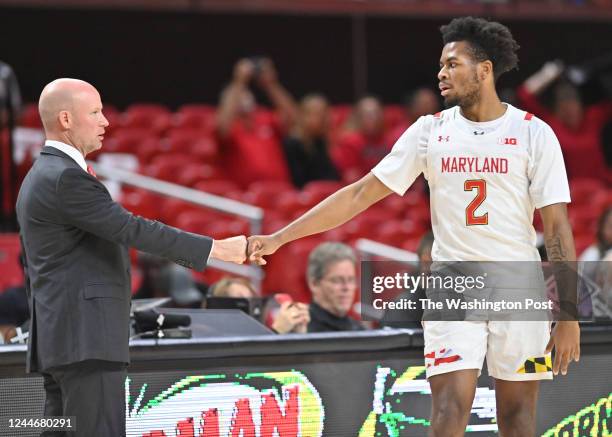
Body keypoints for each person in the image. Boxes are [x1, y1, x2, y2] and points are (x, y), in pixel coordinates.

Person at [248, 17, 580, 437]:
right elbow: (358, 194)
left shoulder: (534, 134)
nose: (440, 74)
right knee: (447, 410)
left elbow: (557, 226)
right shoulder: (430, 131)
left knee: (518, 418)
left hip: (519, 284)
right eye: (440, 65)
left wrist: (568, 314)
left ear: (484, 69)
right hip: (452, 282)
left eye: (452, 64)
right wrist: (281, 236)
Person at [16, 78, 248, 437]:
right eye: (95, 112)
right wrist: (216, 249)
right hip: (86, 341)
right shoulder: (64, 178)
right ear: (65, 119)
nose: (105, 121)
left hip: (63, 340)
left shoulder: (42, 175)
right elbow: (131, 228)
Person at [517, 60, 612, 181]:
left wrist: (596, 72)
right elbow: (524, 95)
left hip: (602, 188)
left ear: (580, 105)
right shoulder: (553, 124)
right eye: (564, 107)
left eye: (573, 104)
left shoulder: (592, 118)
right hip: (572, 193)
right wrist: (548, 74)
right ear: (557, 109)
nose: (570, 111)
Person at [216, 57, 297, 188]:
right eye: (238, 95)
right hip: (245, 197)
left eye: (245, 93)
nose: (242, 97)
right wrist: (239, 81)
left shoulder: (265, 118)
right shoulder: (230, 126)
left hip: (280, 191)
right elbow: (222, 127)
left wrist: (271, 84)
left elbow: (293, 118)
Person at [207, 277, 310, 333]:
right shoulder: (213, 340)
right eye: (241, 299)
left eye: (251, 297)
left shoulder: (262, 330)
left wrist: (297, 334)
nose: (251, 304)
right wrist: (278, 330)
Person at [282, 93, 340, 188]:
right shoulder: (292, 144)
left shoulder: (320, 141)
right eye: (318, 114)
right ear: (303, 116)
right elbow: (300, 184)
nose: (324, 119)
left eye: (325, 113)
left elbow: (332, 177)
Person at [306, 242, 364, 332]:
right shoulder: (300, 331)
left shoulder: (360, 331)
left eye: (351, 280)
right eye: (337, 280)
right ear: (314, 284)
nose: (347, 288)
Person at [332, 95, 388, 178]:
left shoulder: (393, 140)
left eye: (375, 113)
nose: (371, 118)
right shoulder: (349, 142)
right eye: (366, 114)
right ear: (357, 117)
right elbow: (351, 178)